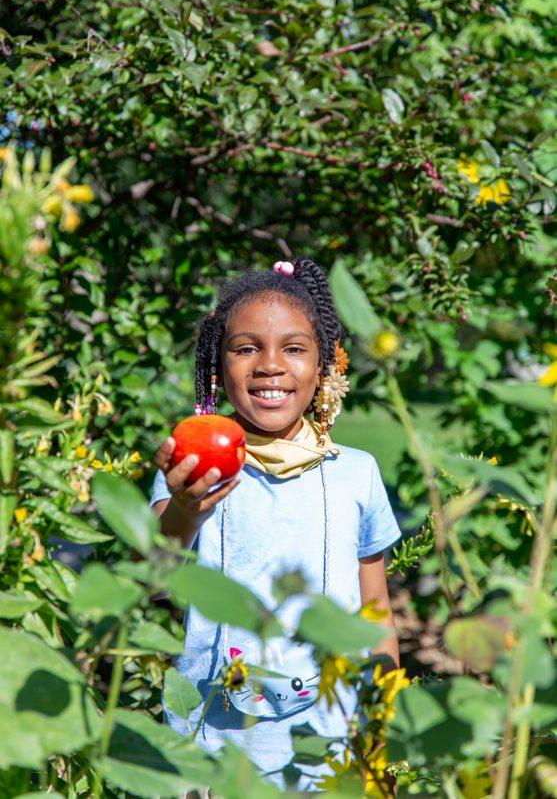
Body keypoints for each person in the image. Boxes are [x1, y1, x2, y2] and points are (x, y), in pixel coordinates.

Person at [150, 258, 401, 792]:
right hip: (212, 745)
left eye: (293, 348)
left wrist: (380, 731)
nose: (270, 365)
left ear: (324, 366)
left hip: (328, 745)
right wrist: (185, 508)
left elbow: (375, 610)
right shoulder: (195, 469)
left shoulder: (355, 472)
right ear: (217, 366)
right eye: (246, 348)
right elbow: (149, 572)